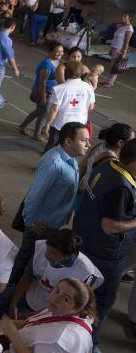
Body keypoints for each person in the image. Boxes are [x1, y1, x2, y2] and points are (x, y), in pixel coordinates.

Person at [73, 139, 136, 348]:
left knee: (79, 288)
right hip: (105, 253)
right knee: (102, 300)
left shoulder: (107, 163)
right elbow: (110, 226)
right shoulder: (122, 188)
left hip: (84, 238)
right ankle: (91, 341)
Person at [9, 122, 89, 284]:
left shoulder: (70, 158)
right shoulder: (54, 163)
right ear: (68, 141)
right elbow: (34, 195)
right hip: (41, 225)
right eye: (83, 140)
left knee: (37, 259)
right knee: (25, 260)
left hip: (54, 221)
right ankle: (8, 293)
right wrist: (30, 222)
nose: (88, 144)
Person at [0, 229, 102, 319]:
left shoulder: (85, 272)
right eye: (48, 249)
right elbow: (27, 276)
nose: (47, 254)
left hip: (55, 307)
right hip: (34, 291)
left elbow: (70, 308)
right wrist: (13, 304)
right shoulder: (43, 247)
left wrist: (28, 317)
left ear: (70, 255)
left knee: (24, 327)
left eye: (53, 253)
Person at [0, 278, 96, 353]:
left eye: (65, 299)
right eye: (57, 291)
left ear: (77, 308)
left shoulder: (58, 340)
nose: (55, 298)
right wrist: (11, 324)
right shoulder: (62, 310)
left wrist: (11, 333)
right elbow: (35, 322)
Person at [42, 61, 95, 151]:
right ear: (82, 72)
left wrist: (47, 124)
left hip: (60, 124)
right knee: (70, 149)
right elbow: (91, 107)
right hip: (79, 124)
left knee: (51, 147)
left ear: (66, 72)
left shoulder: (59, 89)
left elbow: (54, 109)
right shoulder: (88, 87)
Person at [17, 42, 64, 142]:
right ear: (50, 52)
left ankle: (22, 126)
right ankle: (36, 134)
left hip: (50, 91)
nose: (60, 54)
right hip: (42, 91)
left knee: (39, 112)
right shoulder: (47, 64)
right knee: (43, 113)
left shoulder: (57, 61)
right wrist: (43, 97)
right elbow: (42, 82)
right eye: (57, 52)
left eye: (62, 51)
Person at [101, 10, 133, 88]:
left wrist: (124, 52)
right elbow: (116, 39)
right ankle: (109, 82)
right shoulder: (122, 26)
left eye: (125, 16)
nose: (122, 17)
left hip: (120, 50)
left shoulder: (129, 28)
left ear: (130, 18)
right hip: (115, 48)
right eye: (122, 16)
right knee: (112, 66)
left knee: (115, 67)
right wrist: (112, 48)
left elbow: (126, 42)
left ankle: (109, 83)